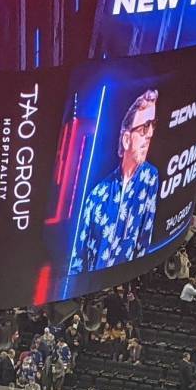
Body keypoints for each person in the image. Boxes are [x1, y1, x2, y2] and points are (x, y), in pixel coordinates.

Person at [70, 89, 162, 273]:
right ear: (127, 139)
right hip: (95, 288)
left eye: (153, 125)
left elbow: (144, 237)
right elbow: (78, 259)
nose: (150, 134)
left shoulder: (150, 177)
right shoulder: (97, 195)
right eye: (145, 127)